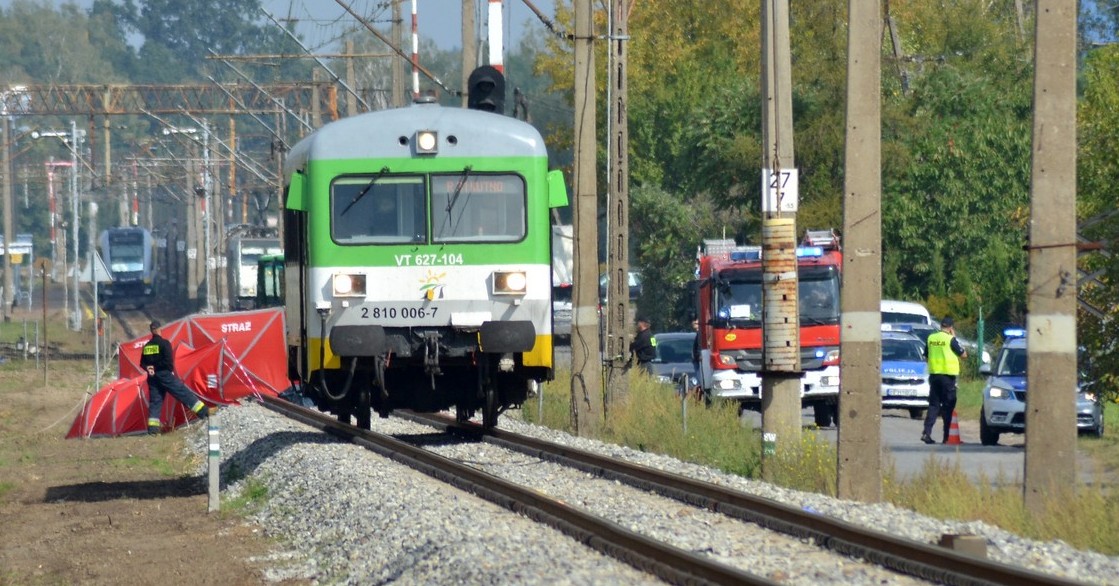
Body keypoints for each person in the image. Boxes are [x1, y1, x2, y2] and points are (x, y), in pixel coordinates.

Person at [141, 320, 209, 435]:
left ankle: (153, 430)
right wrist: (159, 368)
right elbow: (168, 363)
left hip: (152, 377)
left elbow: (142, 363)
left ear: (151, 331)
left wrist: (149, 368)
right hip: (164, 374)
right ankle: (203, 411)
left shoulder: (147, 346)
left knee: (155, 402)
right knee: (182, 392)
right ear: (159, 329)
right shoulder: (164, 343)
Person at [922, 316, 967, 444]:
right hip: (947, 377)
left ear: (941, 326)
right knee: (948, 406)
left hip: (934, 376)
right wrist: (955, 338)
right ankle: (946, 437)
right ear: (951, 328)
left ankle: (926, 433)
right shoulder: (950, 339)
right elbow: (964, 355)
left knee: (933, 405)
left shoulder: (931, 338)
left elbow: (926, 356)